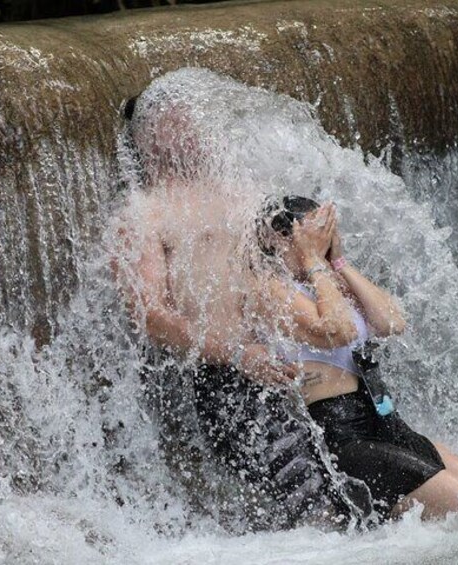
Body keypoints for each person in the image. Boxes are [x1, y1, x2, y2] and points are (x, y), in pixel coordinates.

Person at [111, 83, 373, 530]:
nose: (196, 124)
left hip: (305, 369)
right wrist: (237, 353)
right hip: (230, 379)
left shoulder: (243, 190)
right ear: (147, 137)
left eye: (194, 114)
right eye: (178, 118)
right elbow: (149, 314)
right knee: (318, 514)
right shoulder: (143, 213)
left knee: (360, 504)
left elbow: (295, 257)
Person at [246, 194, 458, 523]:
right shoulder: (269, 288)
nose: (323, 240)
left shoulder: (326, 280)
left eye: (327, 232)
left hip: (385, 421)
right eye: (316, 232)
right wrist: (315, 261)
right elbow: (336, 330)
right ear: (280, 238)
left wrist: (338, 262)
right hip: (344, 438)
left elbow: (392, 322)